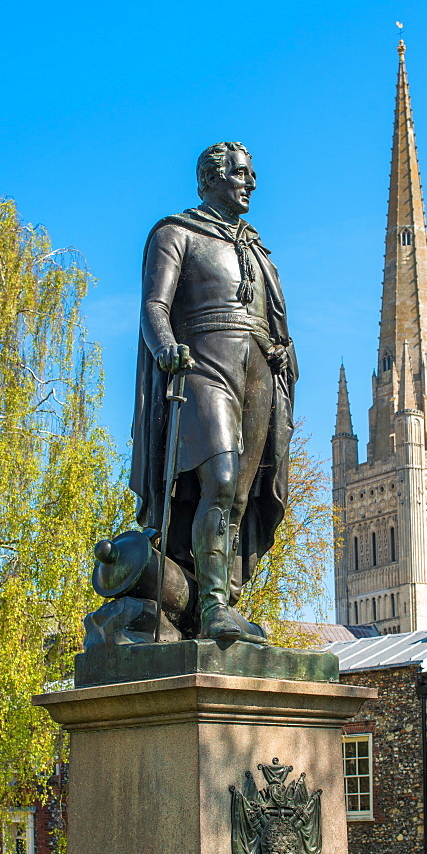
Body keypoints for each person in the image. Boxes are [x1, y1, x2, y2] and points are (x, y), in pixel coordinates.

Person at [129, 142, 297, 642]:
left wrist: (283, 352)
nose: (252, 183)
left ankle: (213, 599)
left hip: (259, 373)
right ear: (211, 178)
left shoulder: (256, 248)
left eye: (251, 174)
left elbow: (272, 318)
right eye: (242, 174)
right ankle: (214, 608)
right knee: (219, 481)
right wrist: (165, 349)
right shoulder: (176, 233)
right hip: (204, 365)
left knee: (241, 498)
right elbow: (154, 306)